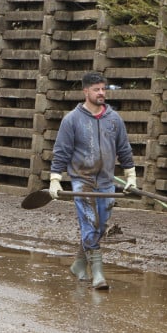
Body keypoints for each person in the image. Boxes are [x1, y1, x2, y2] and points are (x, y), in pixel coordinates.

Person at [49, 71, 137, 290]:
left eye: (103, 89)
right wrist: (55, 179)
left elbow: (124, 149)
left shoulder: (114, 119)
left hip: (106, 182)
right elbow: (61, 151)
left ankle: (79, 264)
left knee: (100, 227)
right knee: (91, 224)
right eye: (96, 89)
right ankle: (98, 273)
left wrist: (131, 177)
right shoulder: (72, 120)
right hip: (82, 181)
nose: (101, 93)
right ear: (85, 91)